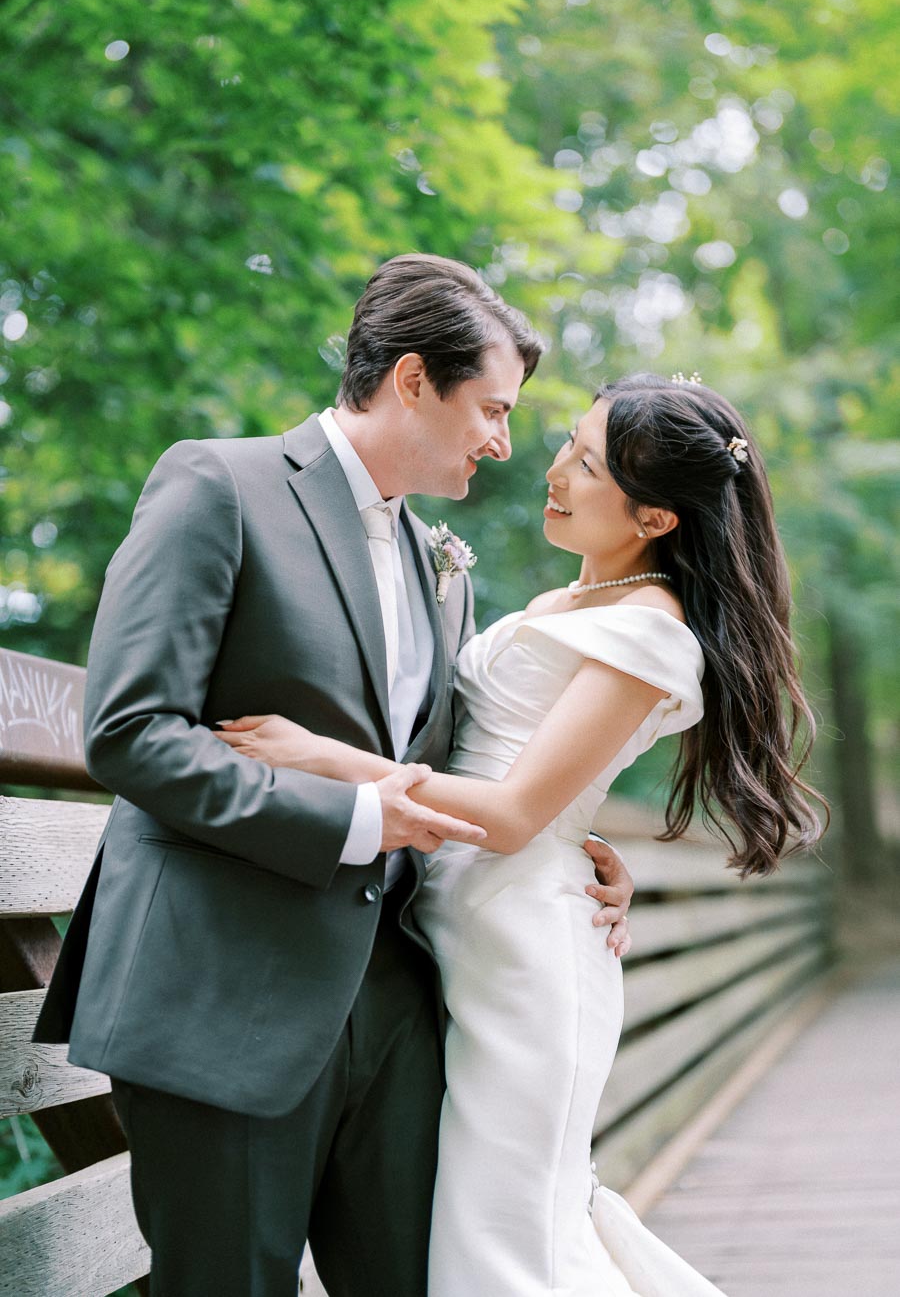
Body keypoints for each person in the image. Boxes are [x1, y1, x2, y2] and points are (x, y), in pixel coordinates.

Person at [33, 253, 634, 1297]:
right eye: (490, 409)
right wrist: (351, 815)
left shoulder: (435, 557)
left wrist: (561, 848)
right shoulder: (217, 484)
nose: (502, 441)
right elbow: (129, 731)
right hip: (226, 988)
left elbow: (440, 769)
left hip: (396, 1005)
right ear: (412, 380)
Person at [216, 372, 826, 1296]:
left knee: (508, 1243)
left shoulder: (650, 632)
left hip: (525, 959)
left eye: (584, 463)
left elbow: (508, 818)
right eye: (570, 444)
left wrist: (328, 759)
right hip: (463, 933)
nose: (553, 469)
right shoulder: (569, 602)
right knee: (486, 1228)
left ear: (656, 519)